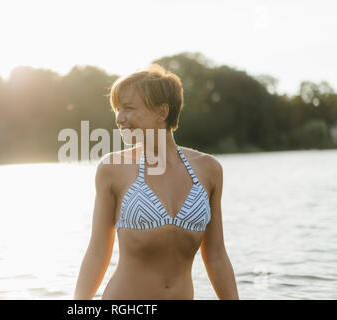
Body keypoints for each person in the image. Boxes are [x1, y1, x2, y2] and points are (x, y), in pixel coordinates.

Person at [74, 64, 239, 300]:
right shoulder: (112, 169)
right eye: (117, 110)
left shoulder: (208, 170)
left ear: (162, 112)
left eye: (129, 108)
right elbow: (98, 252)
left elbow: (216, 255)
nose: (120, 118)